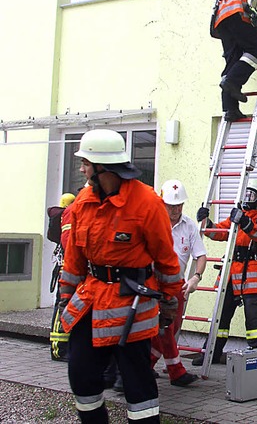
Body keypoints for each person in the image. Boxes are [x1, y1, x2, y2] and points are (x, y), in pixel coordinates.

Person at [59, 129, 183, 424]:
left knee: (137, 386)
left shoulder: (147, 202)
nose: (82, 169)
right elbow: (74, 258)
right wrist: (66, 296)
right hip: (91, 298)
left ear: (104, 167)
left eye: (86, 163)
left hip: (133, 304)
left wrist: (169, 303)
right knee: (81, 374)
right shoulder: (83, 201)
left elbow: (166, 260)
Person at [193, 179, 257, 366]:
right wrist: (206, 221)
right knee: (220, 316)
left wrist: (244, 221)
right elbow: (218, 232)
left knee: (255, 320)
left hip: (253, 277)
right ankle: (211, 353)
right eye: (246, 194)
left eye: (251, 195)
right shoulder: (237, 217)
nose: (247, 198)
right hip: (231, 274)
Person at [149, 179, 207, 386]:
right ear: (162, 204)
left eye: (179, 205)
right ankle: (176, 371)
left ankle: (146, 365)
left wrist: (195, 278)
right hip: (154, 284)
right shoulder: (153, 223)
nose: (175, 210)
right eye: (171, 206)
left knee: (170, 331)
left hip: (178, 285)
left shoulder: (189, 225)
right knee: (164, 329)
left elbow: (201, 256)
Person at [47, 192, 76, 362]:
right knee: (61, 307)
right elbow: (68, 244)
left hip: (66, 268)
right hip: (66, 269)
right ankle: (58, 348)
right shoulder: (69, 215)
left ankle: (61, 347)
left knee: (63, 306)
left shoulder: (67, 215)